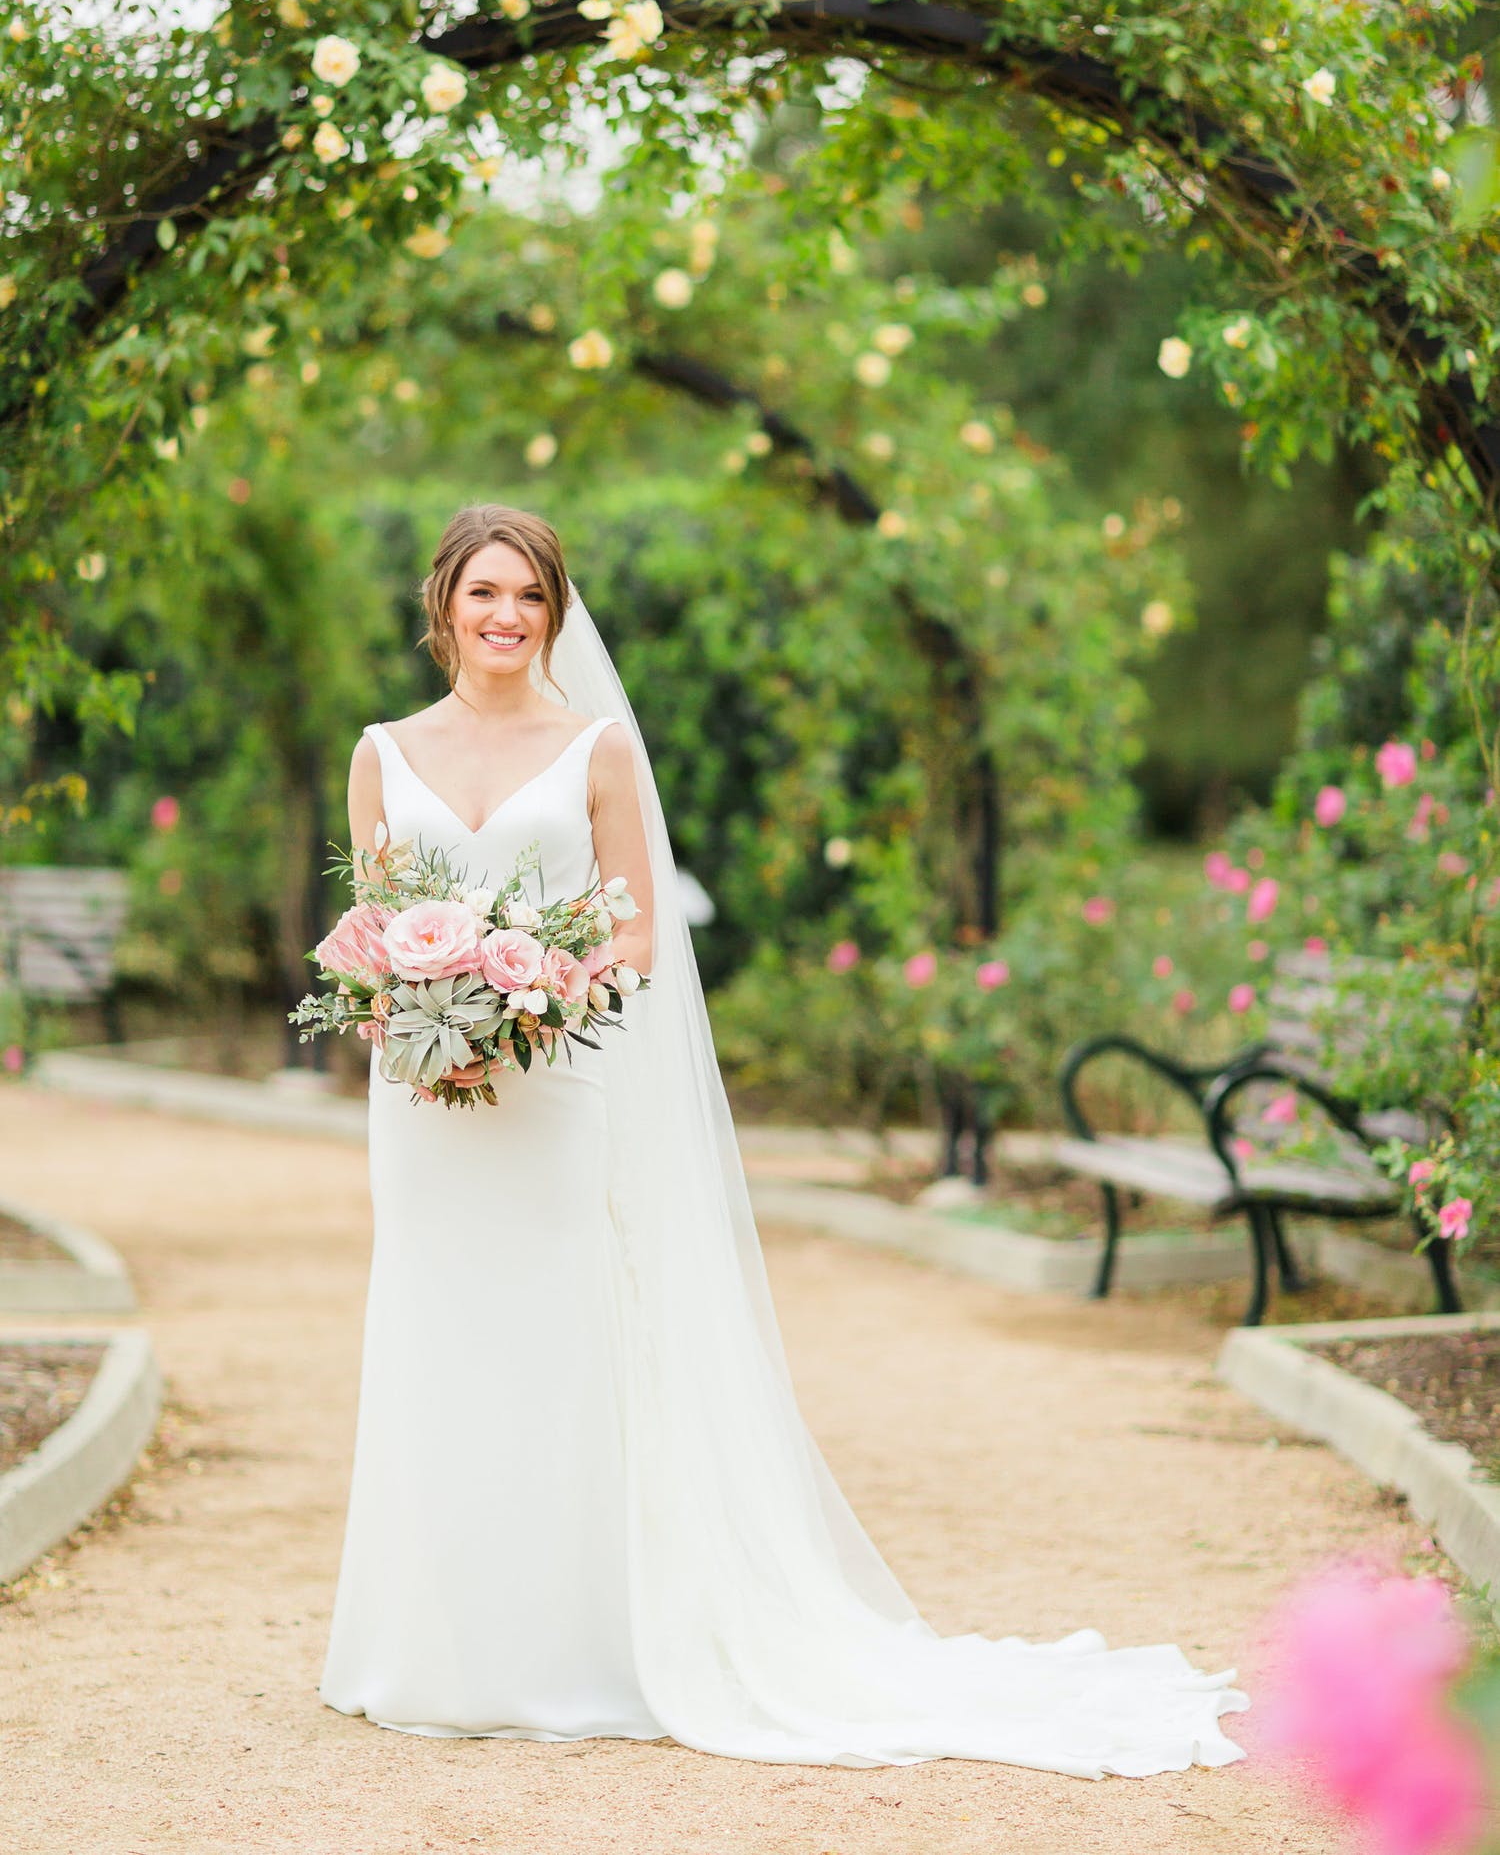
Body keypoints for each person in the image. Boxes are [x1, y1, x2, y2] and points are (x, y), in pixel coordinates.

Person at [320, 501, 1250, 1775]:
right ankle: (426, 1647)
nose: (505, 618)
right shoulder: (382, 751)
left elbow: (639, 932)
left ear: (553, 612)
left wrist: (536, 997)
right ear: (443, 607)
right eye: (483, 594)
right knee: (435, 1336)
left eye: (528, 597)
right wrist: (416, 1012)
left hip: (551, 1091)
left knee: (558, 1341)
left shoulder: (594, 750)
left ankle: (572, 1649)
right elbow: (372, 925)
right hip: (427, 1109)